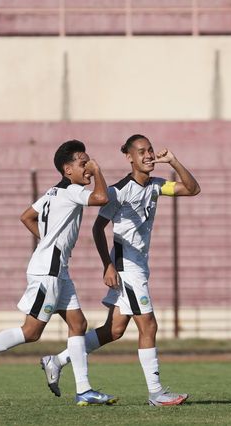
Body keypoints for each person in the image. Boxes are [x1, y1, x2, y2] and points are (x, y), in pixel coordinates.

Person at [40, 134, 200, 406]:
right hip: (127, 269)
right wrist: (108, 265)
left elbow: (192, 189)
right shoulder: (118, 191)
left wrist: (173, 160)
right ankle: (156, 393)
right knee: (149, 325)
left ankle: (56, 360)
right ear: (129, 157)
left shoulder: (156, 186)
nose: (148, 155)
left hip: (138, 266)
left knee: (114, 331)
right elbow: (97, 228)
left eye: (150, 151)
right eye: (142, 152)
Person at [0, 140, 116, 406]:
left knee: (78, 325)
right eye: (82, 163)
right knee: (31, 332)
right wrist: (98, 171)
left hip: (57, 270)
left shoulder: (54, 192)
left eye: (88, 162)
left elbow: (26, 216)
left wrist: (47, 241)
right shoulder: (72, 191)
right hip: (48, 272)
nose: (87, 167)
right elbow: (102, 198)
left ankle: (84, 390)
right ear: (68, 170)